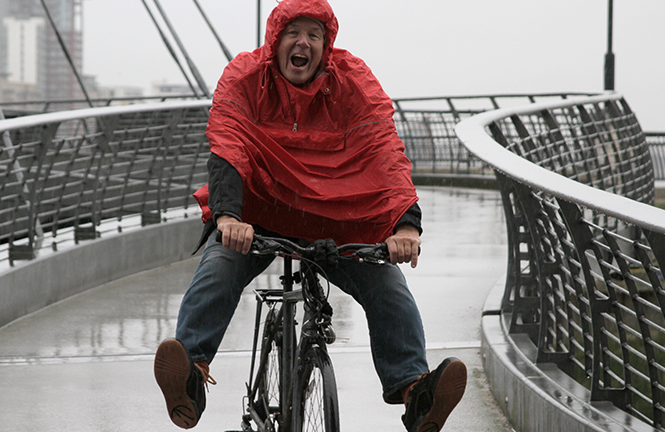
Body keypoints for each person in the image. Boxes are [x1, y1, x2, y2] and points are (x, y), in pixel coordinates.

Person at [153, 1, 467, 431]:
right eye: (292, 33)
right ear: (275, 39)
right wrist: (227, 218)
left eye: (314, 35)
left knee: (389, 290)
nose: (302, 43)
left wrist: (405, 223)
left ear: (326, 45)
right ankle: (189, 377)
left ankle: (417, 393)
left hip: (338, 221)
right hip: (260, 213)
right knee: (218, 269)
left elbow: (384, 151)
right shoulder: (244, 77)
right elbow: (228, 146)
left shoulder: (353, 81)